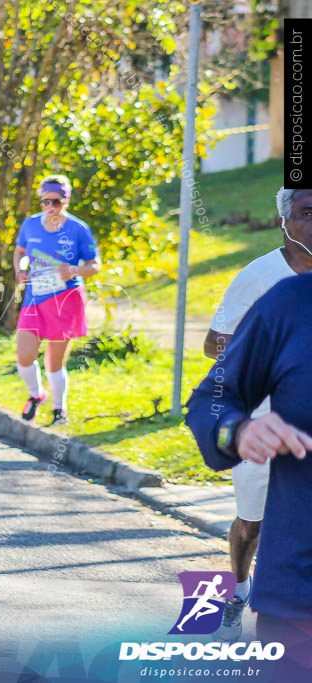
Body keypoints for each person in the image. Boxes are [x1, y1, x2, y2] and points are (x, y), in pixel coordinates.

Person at [186, 189, 312, 683]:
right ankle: (235, 592)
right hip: (298, 586)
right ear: (285, 221)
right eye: (306, 213)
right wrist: (237, 431)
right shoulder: (282, 297)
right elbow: (213, 390)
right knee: (251, 522)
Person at [12, 174, 100, 426]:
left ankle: (59, 409)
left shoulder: (78, 228)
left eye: (56, 202)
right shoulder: (29, 225)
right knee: (24, 356)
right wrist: (19, 269)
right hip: (34, 298)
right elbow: (20, 251)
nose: (50, 207)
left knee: (54, 361)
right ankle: (36, 394)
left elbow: (95, 265)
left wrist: (73, 270)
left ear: (66, 200)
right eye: (45, 201)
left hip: (66, 298)